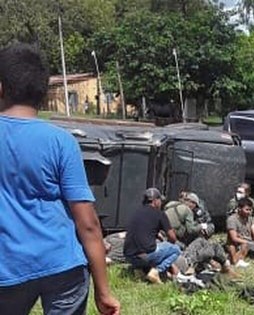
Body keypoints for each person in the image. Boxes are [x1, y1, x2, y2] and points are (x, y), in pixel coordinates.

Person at [0, 43, 120, 315]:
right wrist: (103, 291)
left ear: (1, 88)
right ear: (43, 92)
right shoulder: (61, 141)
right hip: (63, 265)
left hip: (7, 270)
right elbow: (87, 223)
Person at [124, 188, 182, 284]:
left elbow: (142, 230)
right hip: (144, 257)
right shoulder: (159, 214)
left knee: (145, 248)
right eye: (160, 200)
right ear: (155, 201)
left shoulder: (135, 212)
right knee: (175, 249)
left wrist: (155, 235)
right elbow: (173, 238)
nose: (161, 203)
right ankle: (156, 271)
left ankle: (139, 271)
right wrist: (166, 245)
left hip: (129, 256)